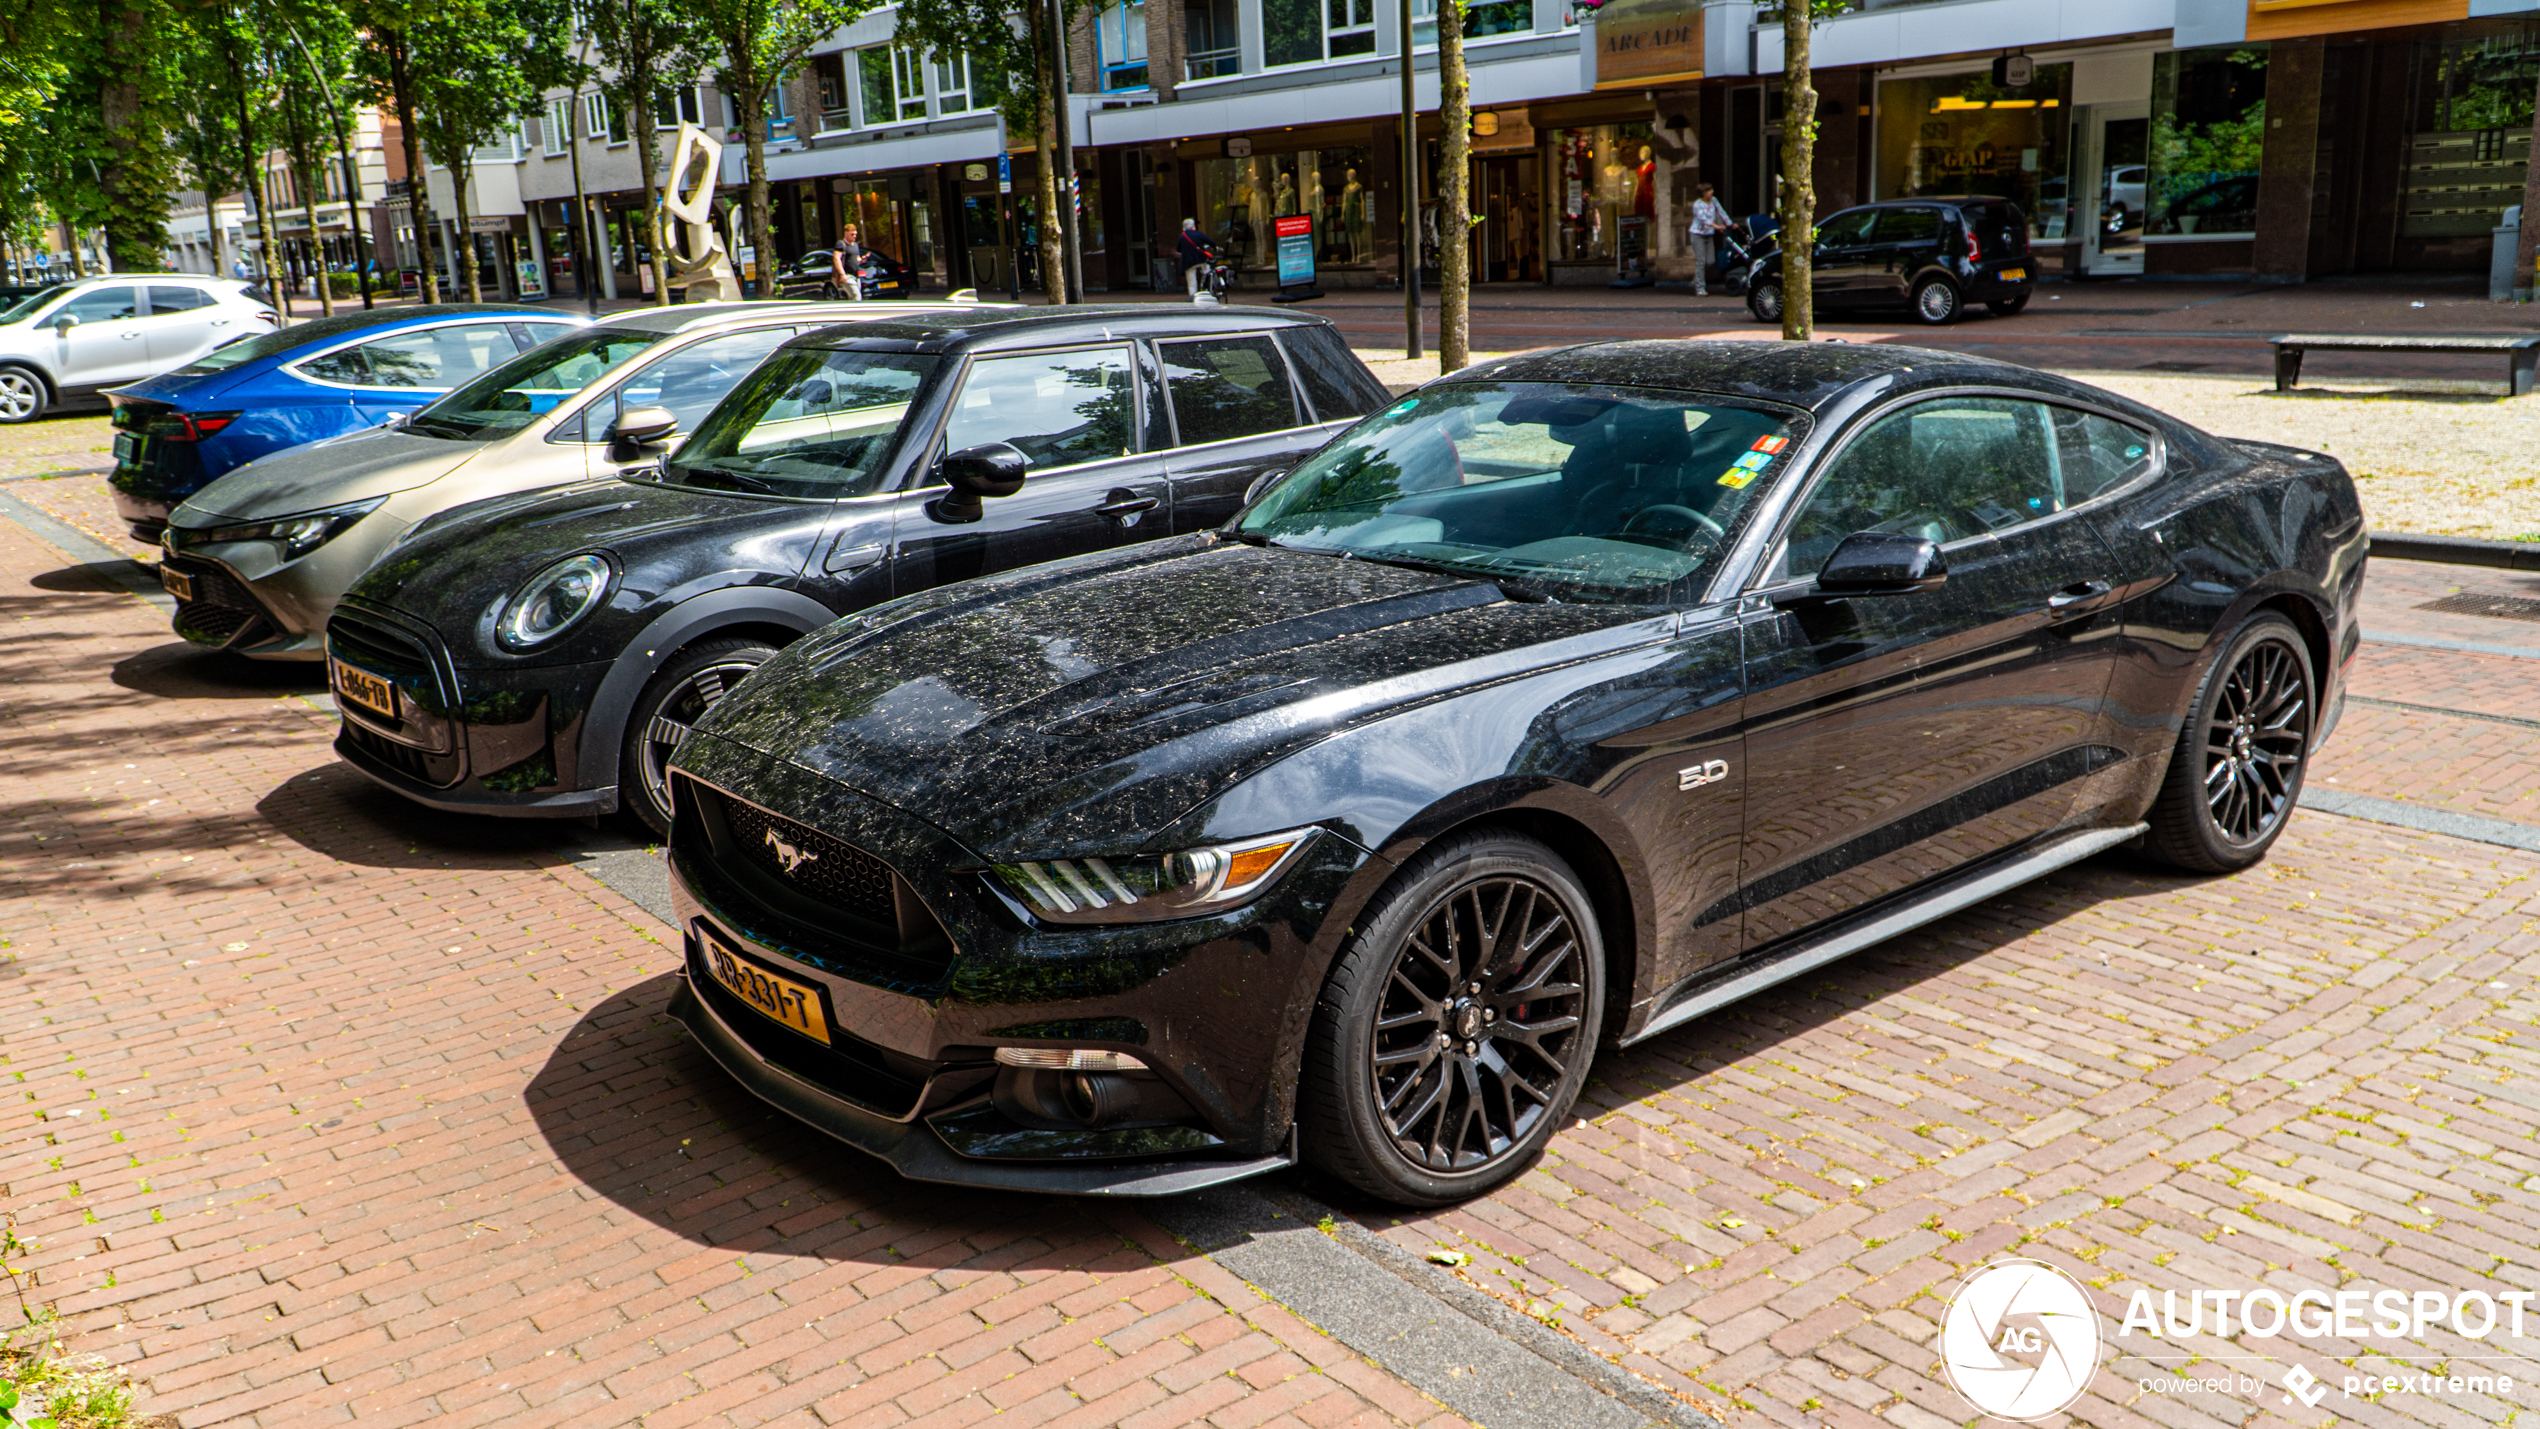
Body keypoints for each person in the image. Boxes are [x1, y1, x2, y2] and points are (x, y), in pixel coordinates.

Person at [1686, 183, 1730, 297]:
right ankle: (1700, 288)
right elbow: (1703, 219)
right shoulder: (1697, 205)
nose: (1712, 192)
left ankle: (1696, 279)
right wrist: (1717, 226)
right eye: (1709, 190)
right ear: (1703, 193)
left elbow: (1721, 211)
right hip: (1698, 234)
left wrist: (1729, 224)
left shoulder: (1714, 200)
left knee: (1710, 261)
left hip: (1708, 234)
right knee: (1701, 261)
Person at [1177, 218, 1217, 300]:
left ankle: (1193, 297)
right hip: (1200, 259)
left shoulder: (1182, 236)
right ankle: (1206, 289)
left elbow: (1178, 249)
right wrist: (1215, 247)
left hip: (1188, 262)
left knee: (1192, 281)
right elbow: (1210, 242)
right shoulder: (1198, 234)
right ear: (1192, 227)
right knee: (1206, 271)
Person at [828, 222, 868, 301]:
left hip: (856, 276)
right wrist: (842, 274)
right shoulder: (841, 244)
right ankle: (857, 313)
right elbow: (836, 259)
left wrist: (862, 260)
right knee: (857, 297)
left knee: (852, 298)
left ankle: (850, 312)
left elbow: (856, 259)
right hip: (847, 275)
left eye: (855, 234)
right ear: (846, 234)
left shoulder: (855, 245)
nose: (854, 236)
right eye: (852, 234)